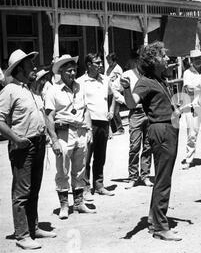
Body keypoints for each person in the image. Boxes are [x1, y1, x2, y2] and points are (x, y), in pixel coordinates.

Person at [121, 42, 182, 242]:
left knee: (163, 178)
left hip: (168, 128)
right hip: (162, 130)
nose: (167, 59)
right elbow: (131, 103)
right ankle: (160, 228)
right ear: (153, 60)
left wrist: (176, 110)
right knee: (163, 180)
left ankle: (153, 218)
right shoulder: (145, 82)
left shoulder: (159, 79)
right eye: (163, 56)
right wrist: (127, 89)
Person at [0, 49, 57, 250]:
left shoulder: (29, 90)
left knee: (34, 189)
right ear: (19, 69)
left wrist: (49, 138)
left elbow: (41, 116)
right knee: (22, 192)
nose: (34, 67)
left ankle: (32, 228)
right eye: (29, 64)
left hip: (38, 143)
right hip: (22, 147)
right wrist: (16, 138)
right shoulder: (9, 91)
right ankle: (22, 235)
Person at [45, 55, 97, 220]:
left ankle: (79, 203)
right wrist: (54, 140)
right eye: (69, 70)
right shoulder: (53, 90)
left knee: (80, 168)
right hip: (63, 134)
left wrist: (88, 130)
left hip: (80, 132)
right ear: (60, 71)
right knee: (63, 171)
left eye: (74, 69)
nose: (73, 73)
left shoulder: (80, 87)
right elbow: (49, 117)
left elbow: (86, 110)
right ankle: (64, 205)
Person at [77, 53, 116, 200]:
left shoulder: (105, 80)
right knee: (86, 158)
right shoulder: (80, 82)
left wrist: (111, 110)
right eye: (97, 62)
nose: (100, 65)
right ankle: (85, 188)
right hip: (89, 124)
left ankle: (99, 185)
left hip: (103, 124)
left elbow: (113, 96)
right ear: (88, 64)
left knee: (101, 156)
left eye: (100, 62)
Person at [114, 61, 153, 189]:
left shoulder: (149, 74)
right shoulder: (128, 74)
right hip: (135, 113)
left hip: (149, 111)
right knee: (134, 145)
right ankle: (133, 176)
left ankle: (145, 175)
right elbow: (114, 88)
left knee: (148, 145)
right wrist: (124, 100)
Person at [106, 53, 124, 135]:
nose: (108, 62)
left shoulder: (118, 69)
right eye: (107, 61)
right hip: (110, 91)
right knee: (111, 110)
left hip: (116, 91)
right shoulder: (109, 68)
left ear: (114, 60)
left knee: (116, 111)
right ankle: (114, 129)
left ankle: (120, 129)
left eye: (109, 61)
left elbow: (120, 81)